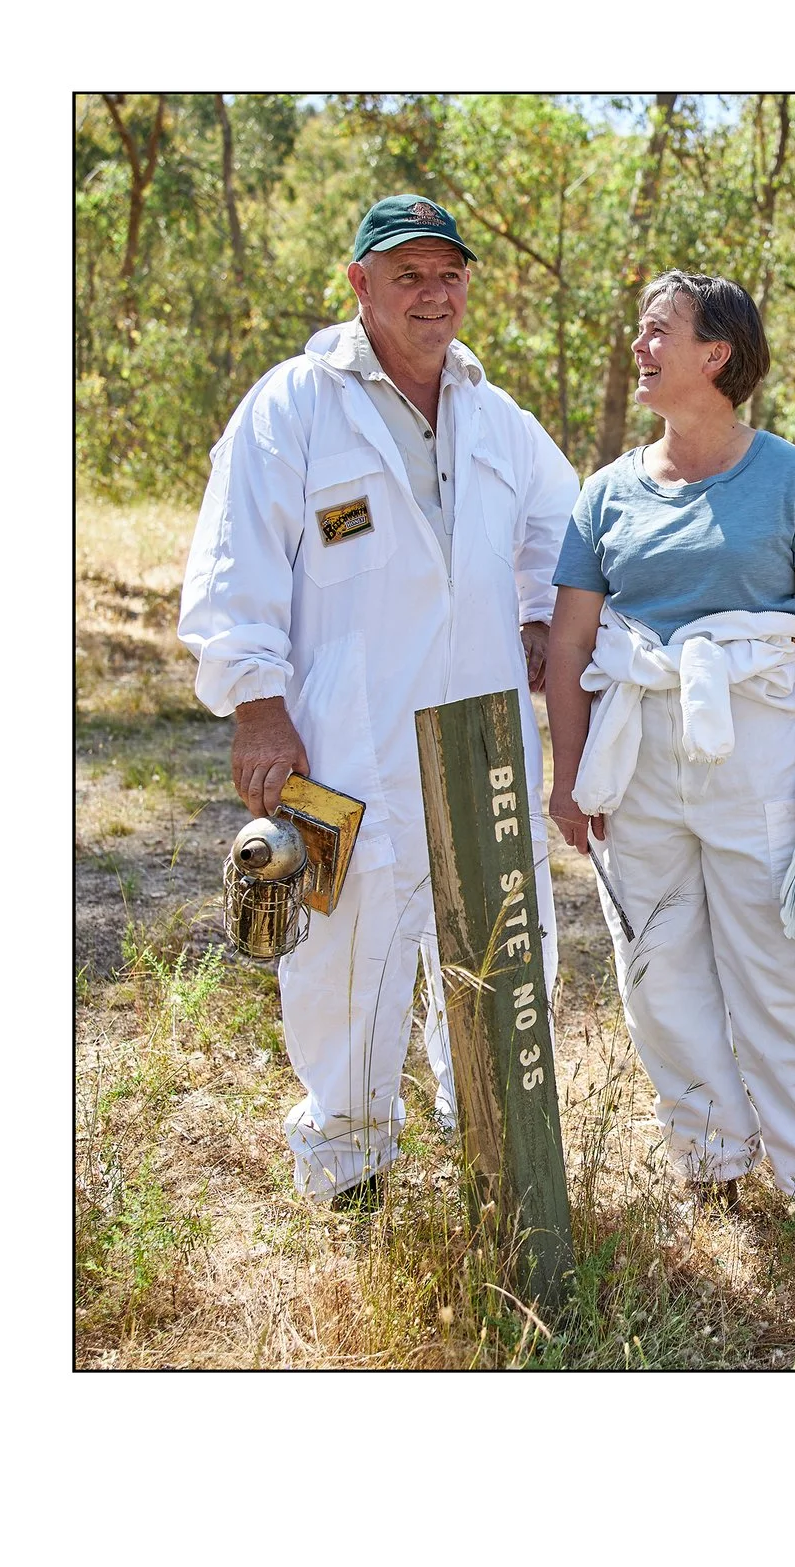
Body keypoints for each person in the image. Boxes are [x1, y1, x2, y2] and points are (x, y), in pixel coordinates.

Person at [179, 195, 577, 1208]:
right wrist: (256, 704)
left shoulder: (497, 415)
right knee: (344, 949)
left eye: (449, 275)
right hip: (342, 737)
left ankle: (484, 1125)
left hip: (482, 733)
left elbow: (562, 535)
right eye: (408, 276)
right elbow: (234, 566)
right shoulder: (294, 406)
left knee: (491, 934)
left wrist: (538, 619)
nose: (434, 295)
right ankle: (348, 1162)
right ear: (360, 286)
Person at [543, 271, 795, 1220]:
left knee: (781, 968)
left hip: (758, 751)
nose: (639, 348)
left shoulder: (794, 478)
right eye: (640, 331)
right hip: (637, 754)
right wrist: (570, 778)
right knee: (657, 972)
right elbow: (569, 641)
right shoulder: (605, 492)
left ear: (715, 354)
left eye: (657, 332)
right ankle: (712, 1164)